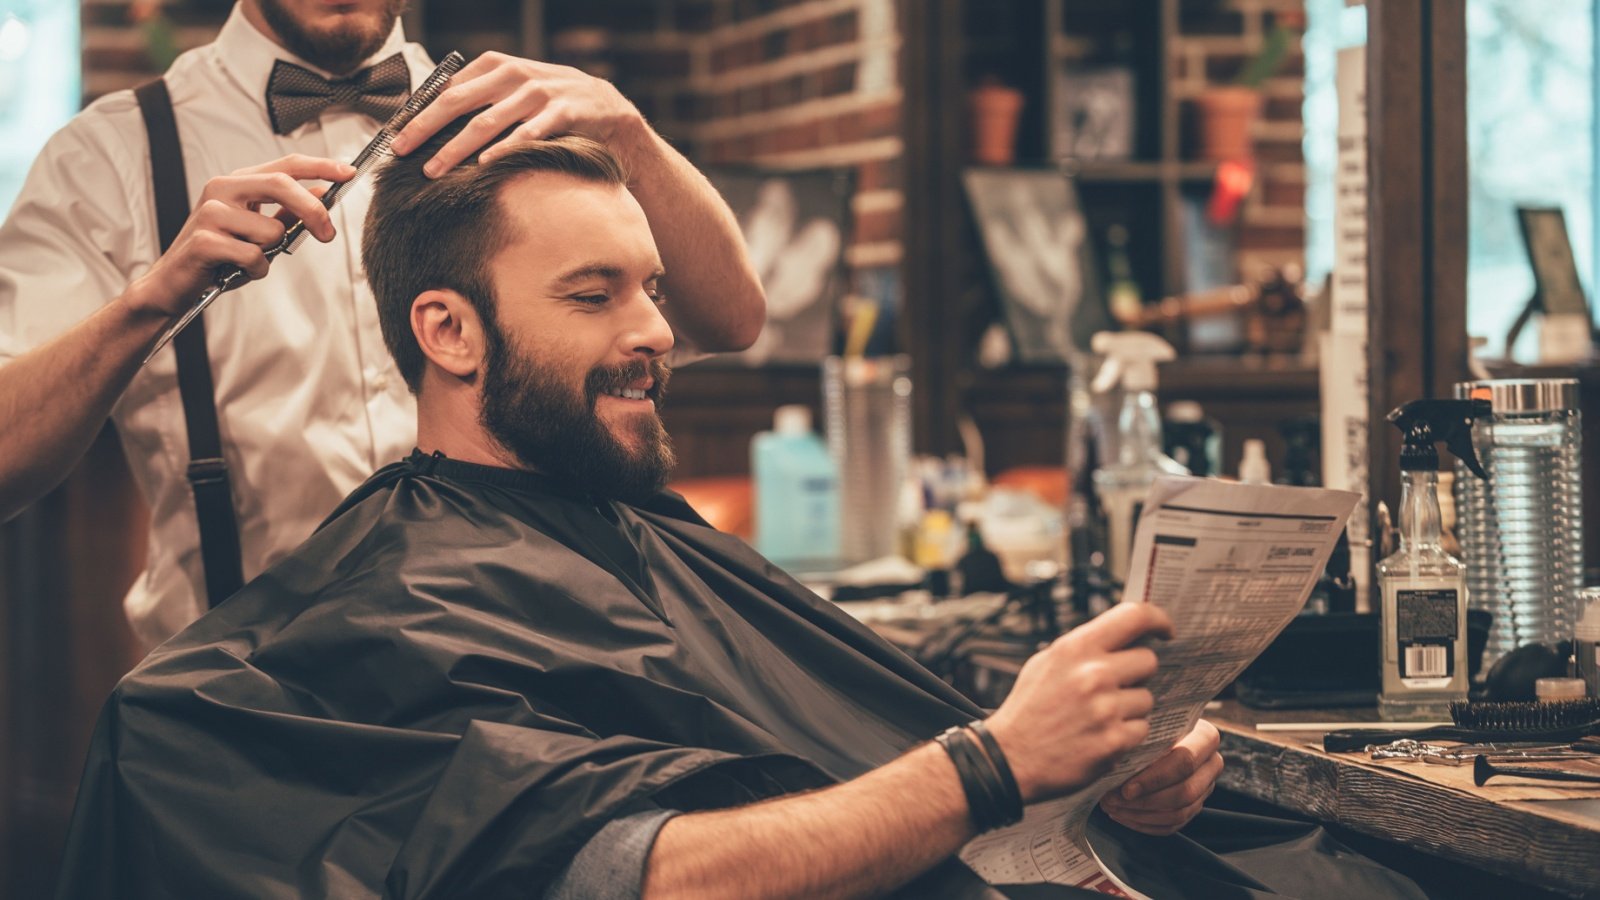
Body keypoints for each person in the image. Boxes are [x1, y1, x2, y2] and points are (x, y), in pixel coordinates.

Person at [55, 125, 1425, 900]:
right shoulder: (409, 606)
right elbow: (650, 879)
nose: (658, 332)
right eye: (595, 298)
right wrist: (998, 765)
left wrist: (1089, 777)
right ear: (448, 332)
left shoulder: (626, 530)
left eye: (649, 290)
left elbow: (828, 743)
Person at [0, 0, 764, 647]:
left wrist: (631, 136)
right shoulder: (109, 157)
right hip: (251, 703)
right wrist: (150, 300)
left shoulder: (522, 113)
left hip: (530, 667)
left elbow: (732, 320)